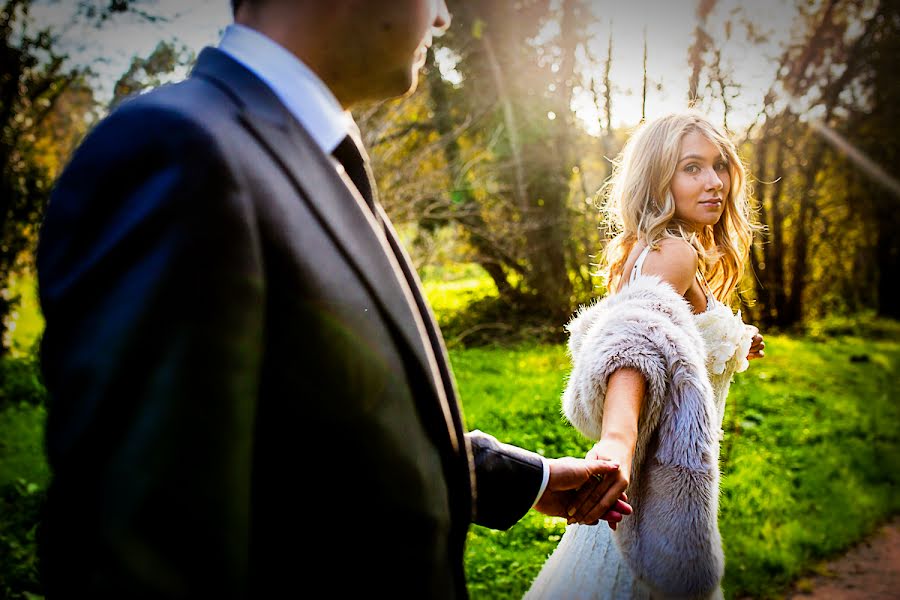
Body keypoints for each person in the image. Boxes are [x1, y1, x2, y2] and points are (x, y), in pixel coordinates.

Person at [35, 1, 632, 598]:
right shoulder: (176, 152)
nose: (445, 17)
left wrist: (529, 480)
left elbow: (300, 449)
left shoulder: (309, 156)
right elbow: (143, 553)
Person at [524, 111, 766, 599]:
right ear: (658, 177)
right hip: (650, 512)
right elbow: (635, 344)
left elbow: (667, 336)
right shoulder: (677, 254)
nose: (715, 182)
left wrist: (735, 341)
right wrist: (615, 441)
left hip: (637, 509)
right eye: (692, 168)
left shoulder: (645, 250)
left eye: (719, 166)